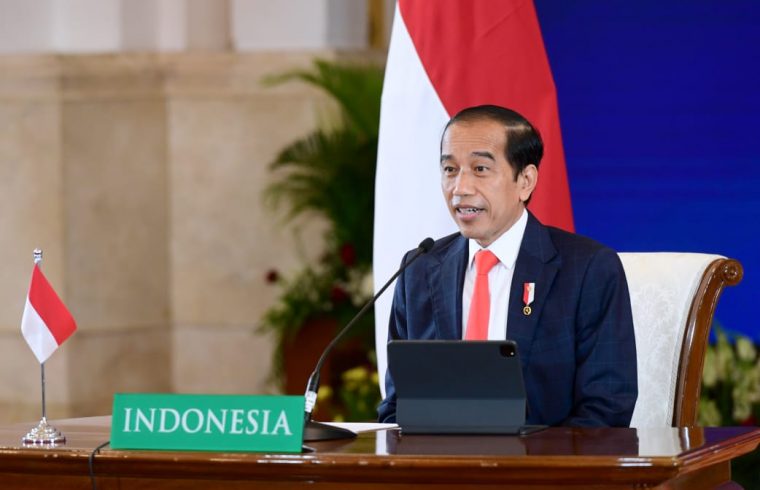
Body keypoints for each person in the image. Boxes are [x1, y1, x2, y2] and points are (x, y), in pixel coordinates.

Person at [378, 105, 637, 427]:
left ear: (525, 181)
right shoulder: (418, 269)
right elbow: (397, 407)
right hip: (440, 458)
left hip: (547, 459)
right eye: (450, 169)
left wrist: (525, 456)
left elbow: (607, 410)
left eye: (480, 169)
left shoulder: (588, 269)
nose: (460, 188)